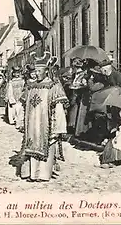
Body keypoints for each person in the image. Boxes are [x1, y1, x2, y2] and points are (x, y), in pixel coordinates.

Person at [19, 52, 68, 182]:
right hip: (31, 125)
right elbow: (24, 105)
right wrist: (21, 121)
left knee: (47, 146)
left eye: (40, 70)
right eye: (36, 70)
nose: (38, 73)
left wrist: (58, 127)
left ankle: (43, 175)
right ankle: (32, 174)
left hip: (47, 123)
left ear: (46, 71)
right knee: (31, 146)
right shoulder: (30, 86)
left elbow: (59, 108)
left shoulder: (54, 86)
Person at [67, 58, 91, 137]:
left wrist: (81, 85)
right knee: (74, 112)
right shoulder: (74, 75)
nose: (76, 70)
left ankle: (81, 131)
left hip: (82, 95)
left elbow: (86, 85)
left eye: (77, 68)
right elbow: (72, 83)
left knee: (81, 113)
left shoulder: (85, 74)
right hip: (75, 94)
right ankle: (74, 128)